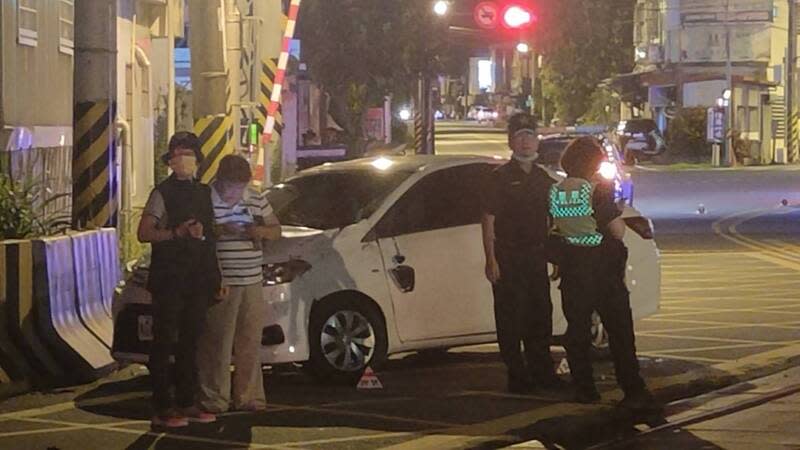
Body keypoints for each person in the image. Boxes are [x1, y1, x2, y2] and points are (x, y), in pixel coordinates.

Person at [549, 136, 655, 409]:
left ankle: (585, 389)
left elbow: (554, 230)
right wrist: (615, 209)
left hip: (573, 270)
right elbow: (617, 231)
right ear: (592, 163)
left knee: (578, 333)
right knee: (619, 331)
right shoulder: (597, 191)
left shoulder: (559, 191)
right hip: (603, 271)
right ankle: (633, 389)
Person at [138, 131, 221, 428]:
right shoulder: (162, 193)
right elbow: (144, 232)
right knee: (163, 342)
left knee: (190, 342)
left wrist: (215, 277)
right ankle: (162, 405)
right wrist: (176, 233)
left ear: (197, 159)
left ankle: (187, 401)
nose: (183, 158)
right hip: (169, 278)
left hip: (197, 278)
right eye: (178, 153)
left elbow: (211, 237)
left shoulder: (203, 193)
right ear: (171, 161)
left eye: (189, 152)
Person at [481, 113, 564, 394]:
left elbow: (552, 222)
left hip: (537, 257)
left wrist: (554, 257)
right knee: (510, 318)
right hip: (509, 257)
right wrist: (490, 259)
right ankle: (517, 375)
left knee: (540, 316)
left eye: (530, 135)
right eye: (520, 136)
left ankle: (543, 372)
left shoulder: (543, 178)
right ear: (511, 142)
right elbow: (489, 220)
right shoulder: (500, 177)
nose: (526, 142)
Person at [197, 154, 281, 413]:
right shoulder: (205, 199)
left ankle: (249, 397)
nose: (236, 192)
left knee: (249, 341)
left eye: (240, 186)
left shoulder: (254, 197)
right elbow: (198, 233)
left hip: (252, 279)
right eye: (232, 186)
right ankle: (214, 399)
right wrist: (222, 230)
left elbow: (276, 229)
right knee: (217, 343)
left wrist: (259, 232)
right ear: (220, 181)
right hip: (221, 279)